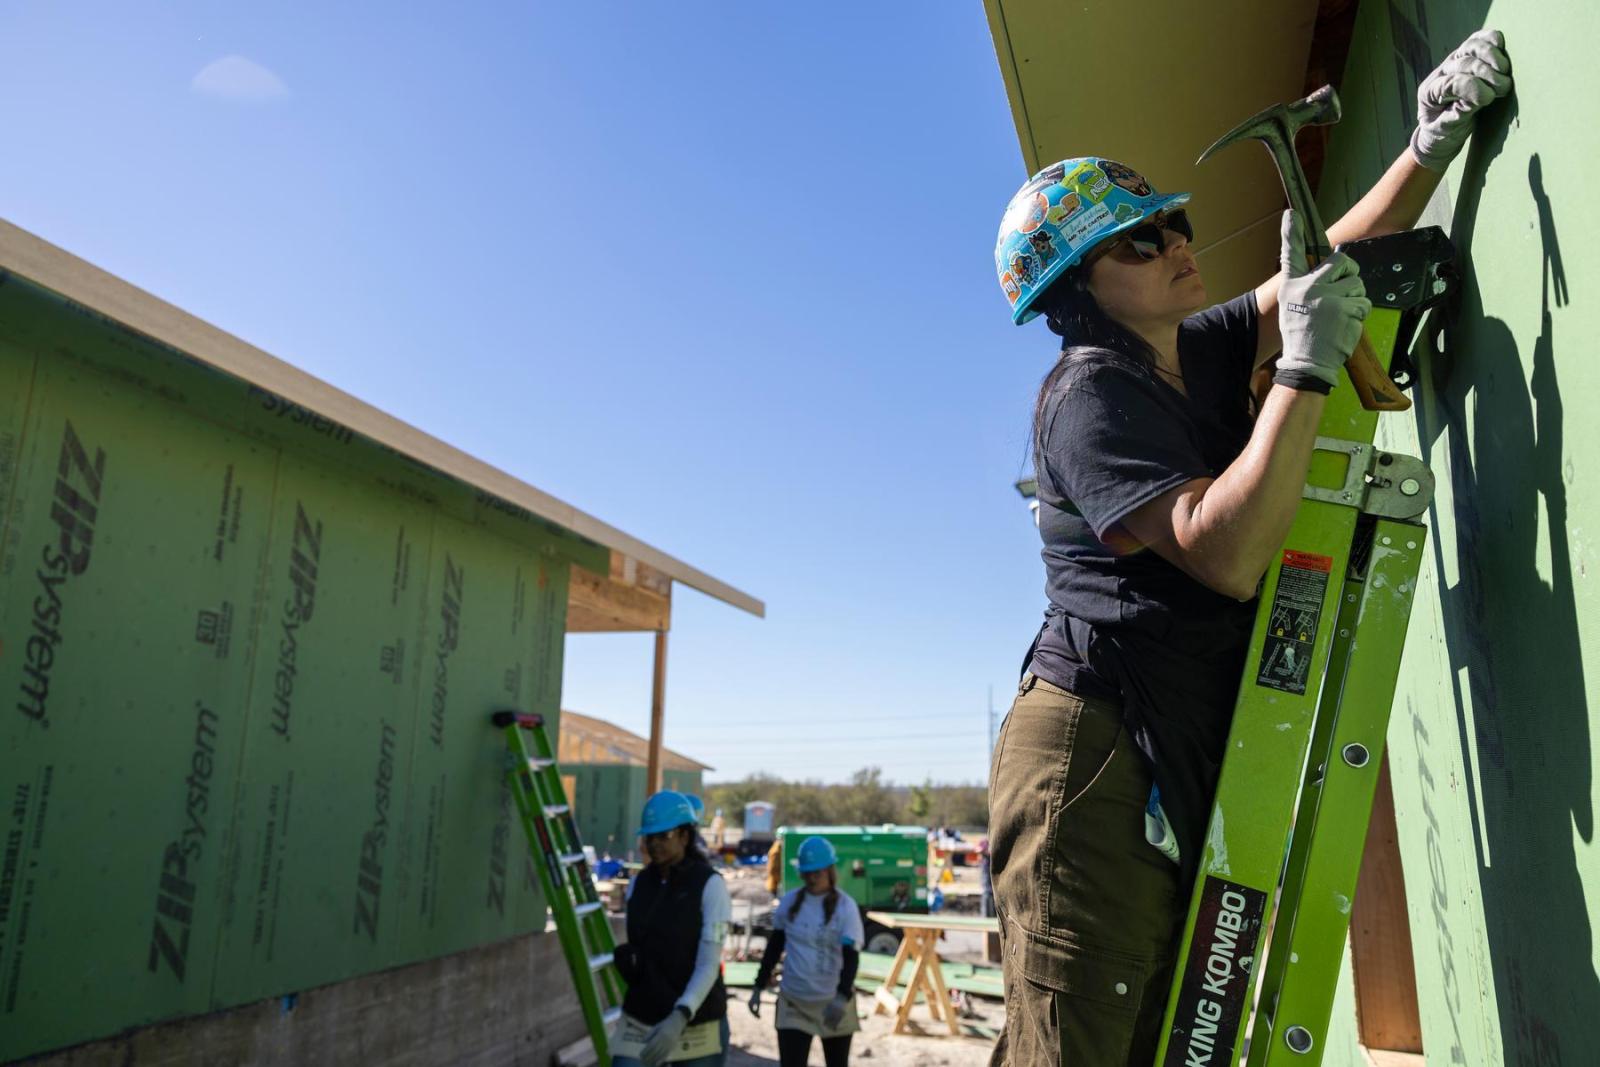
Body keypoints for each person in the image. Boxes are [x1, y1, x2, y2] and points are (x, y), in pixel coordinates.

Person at [985, 31, 1510, 1065]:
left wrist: (1426, 145)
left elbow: (1323, 269)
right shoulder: (1090, 396)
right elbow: (1219, 550)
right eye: (1140, 239)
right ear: (1077, 284)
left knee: (1164, 1025)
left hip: (1156, 731)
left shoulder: (1187, 350)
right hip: (1089, 752)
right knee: (1091, 1038)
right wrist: (1304, 373)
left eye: (1173, 223)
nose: (1179, 241)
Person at [612, 791, 732, 1067]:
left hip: (697, 1021)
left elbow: (708, 963)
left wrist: (681, 1014)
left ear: (684, 837)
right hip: (643, 1017)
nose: (654, 844)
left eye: (663, 836)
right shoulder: (639, 885)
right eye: (649, 837)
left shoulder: (710, 886)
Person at [748, 837, 864, 1067]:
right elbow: (774, 947)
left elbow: (851, 956)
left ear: (829, 871)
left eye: (817, 873)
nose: (811, 878)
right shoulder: (790, 903)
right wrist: (758, 986)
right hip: (794, 1002)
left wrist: (842, 996)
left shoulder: (845, 907)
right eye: (807, 873)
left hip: (833, 1002)